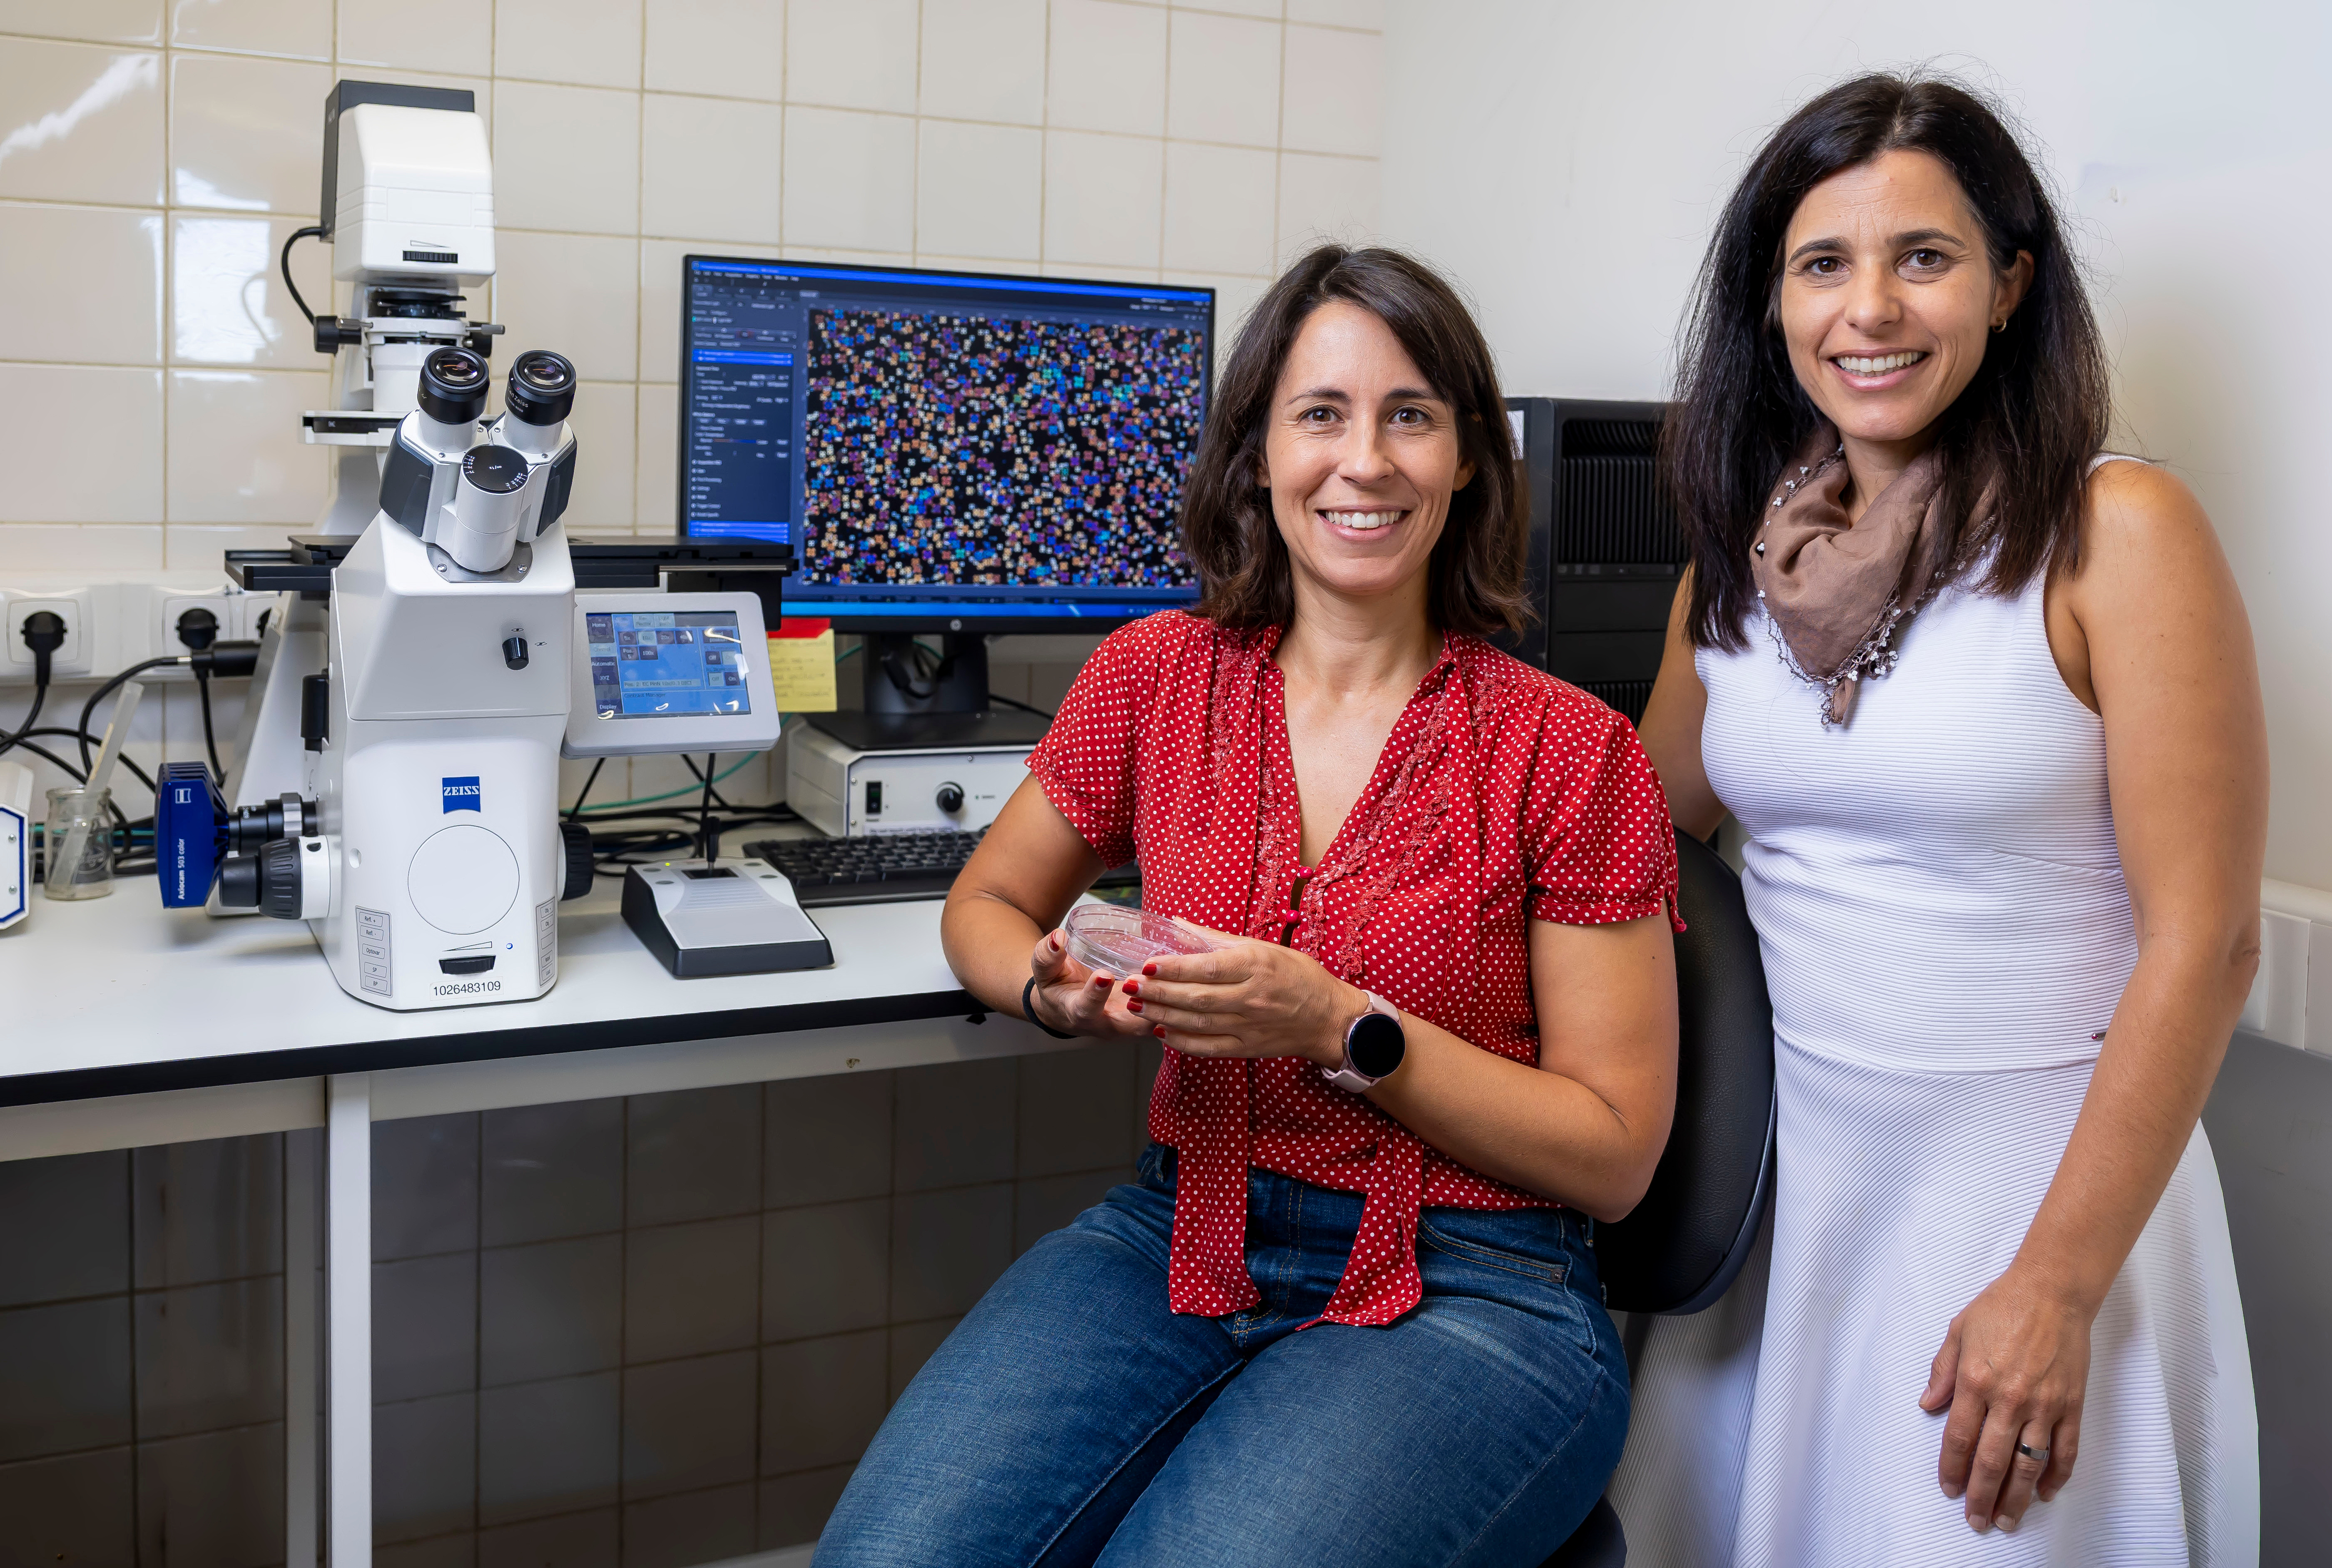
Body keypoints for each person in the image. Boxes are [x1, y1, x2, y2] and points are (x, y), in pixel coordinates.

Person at [815, 246, 1683, 1567]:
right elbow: (986, 901)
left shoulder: (1568, 751)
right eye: (1321, 413)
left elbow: (1614, 1154)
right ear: (1256, 453)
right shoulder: (1155, 676)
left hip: (1476, 1286)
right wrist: (1047, 989)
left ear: (1465, 461)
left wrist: (1340, 1026)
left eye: (1410, 415)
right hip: (1182, 1231)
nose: (1366, 459)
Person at [1610, 73, 2262, 1566]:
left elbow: (2208, 942)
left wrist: (2057, 1285)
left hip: (2030, 1200)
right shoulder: (1738, 558)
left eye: (1923, 258)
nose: (1870, 311)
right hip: (1789, 1196)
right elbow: (1639, 855)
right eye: (1822, 265)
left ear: (2009, 285)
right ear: (1769, 305)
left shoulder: (2118, 534)